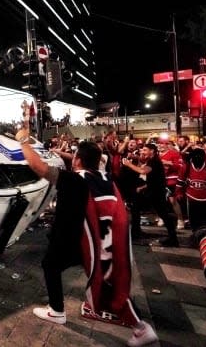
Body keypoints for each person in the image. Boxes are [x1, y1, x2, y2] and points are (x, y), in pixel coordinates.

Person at [14, 128, 158, 347]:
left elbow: (38, 166)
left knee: (51, 265)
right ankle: (139, 327)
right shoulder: (104, 177)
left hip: (75, 240)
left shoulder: (74, 180)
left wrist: (23, 140)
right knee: (110, 282)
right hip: (100, 243)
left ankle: (57, 311)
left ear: (78, 160)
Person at [123, 143, 179, 247]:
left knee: (163, 215)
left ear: (152, 151)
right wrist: (143, 187)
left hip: (156, 193)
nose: (142, 152)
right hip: (153, 191)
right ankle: (136, 231)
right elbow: (154, 178)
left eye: (145, 150)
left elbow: (143, 171)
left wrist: (129, 164)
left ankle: (173, 238)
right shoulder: (152, 161)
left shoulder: (154, 161)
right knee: (137, 206)